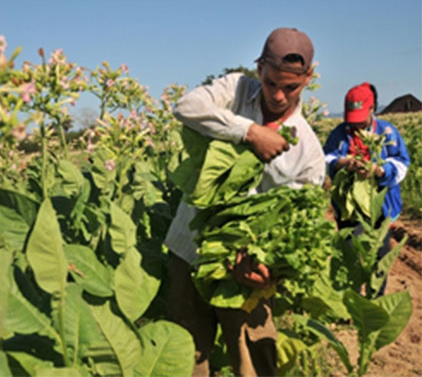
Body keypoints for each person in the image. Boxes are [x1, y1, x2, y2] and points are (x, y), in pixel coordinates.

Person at [164, 27, 326, 377]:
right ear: (259, 69)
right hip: (190, 249)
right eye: (270, 83)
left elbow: (297, 224)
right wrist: (248, 132)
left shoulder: (309, 152)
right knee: (187, 357)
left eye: (291, 87)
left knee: (255, 359)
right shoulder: (236, 90)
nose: (279, 96)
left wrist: (268, 274)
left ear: (308, 78)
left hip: (250, 269)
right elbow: (186, 106)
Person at [323, 82, 410, 296]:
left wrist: (380, 170)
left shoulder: (387, 132)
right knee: (348, 252)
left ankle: (374, 298)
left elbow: (402, 163)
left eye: (361, 119)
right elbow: (326, 158)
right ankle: (348, 300)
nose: (357, 126)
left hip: (381, 205)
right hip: (349, 208)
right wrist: (344, 163)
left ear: (372, 110)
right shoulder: (339, 134)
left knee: (379, 256)